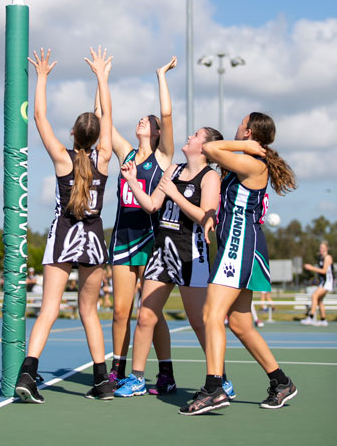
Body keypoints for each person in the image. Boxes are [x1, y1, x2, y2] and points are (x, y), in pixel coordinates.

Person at [179, 112, 298, 415]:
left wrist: (248, 146)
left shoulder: (252, 162)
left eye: (241, 124)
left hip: (239, 244)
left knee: (211, 313)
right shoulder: (245, 160)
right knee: (241, 324)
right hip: (238, 245)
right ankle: (281, 382)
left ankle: (214, 386)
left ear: (247, 131)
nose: (237, 125)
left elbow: (210, 150)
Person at [15, 45, 113, 404]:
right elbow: (108, 116)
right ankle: (102, 381)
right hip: (93, 238)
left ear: (72, 132)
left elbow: (40, 116)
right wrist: (102, 78)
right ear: (98, 136)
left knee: (49, 310)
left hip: (64, 235)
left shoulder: (62, 159)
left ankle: (28, 373)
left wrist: (41, 77)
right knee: (89, 311)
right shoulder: (104, 158)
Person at [114, 127, 234, 399]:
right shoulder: (174, 171)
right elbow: (152, 205)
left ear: (204, 147)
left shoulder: (210, 177)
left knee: (199, 323)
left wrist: (177, 196)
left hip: (190, 255)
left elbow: (206, 218)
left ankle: (221, 378)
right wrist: (132, 181)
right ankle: (137, 379)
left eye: (195, 135)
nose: (189, 136)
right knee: (145, 315)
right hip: (162, 251)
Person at [95, 57, 177, 394]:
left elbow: (168, 115)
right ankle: (118, 370)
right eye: (141, 119)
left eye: (149, 120)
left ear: (156, 133)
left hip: (152, 240)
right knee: (120, 312)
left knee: (150, 312)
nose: (143, 120)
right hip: (123, 239)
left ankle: (165, 373)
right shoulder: (126, 154)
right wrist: (102, 78)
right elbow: (103, 118)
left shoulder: (163, 157)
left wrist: (161, 77)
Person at [301, 241, 334, 327]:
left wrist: (311, 268)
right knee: (319, 301)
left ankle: (311, 318)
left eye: (323, 247)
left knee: (314, 296)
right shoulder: (320, 257)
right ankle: (323, 320)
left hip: (327, 282)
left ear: (327, 248)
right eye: (320, 247)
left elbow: (324, 271)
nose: (321, 249)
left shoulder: (327, 258)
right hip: (323, 282)